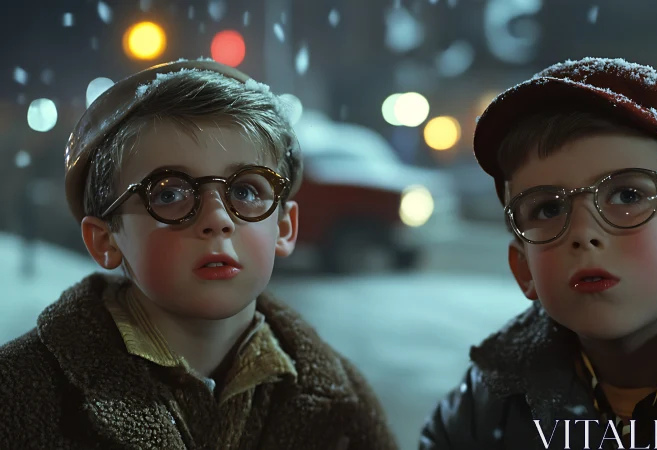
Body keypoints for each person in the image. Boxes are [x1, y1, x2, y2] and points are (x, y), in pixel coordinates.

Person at [0, 59, 398, 450]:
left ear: (284, 226)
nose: (217, 219)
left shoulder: (345, 407)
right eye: (169, 194)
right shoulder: (21, 394)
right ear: (105, 240)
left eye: (245, 191)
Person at [419, 58, 657, 450]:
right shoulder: (481, 410)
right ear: (523, 268)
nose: (584, 234)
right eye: (548, 209)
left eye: (628, 195)